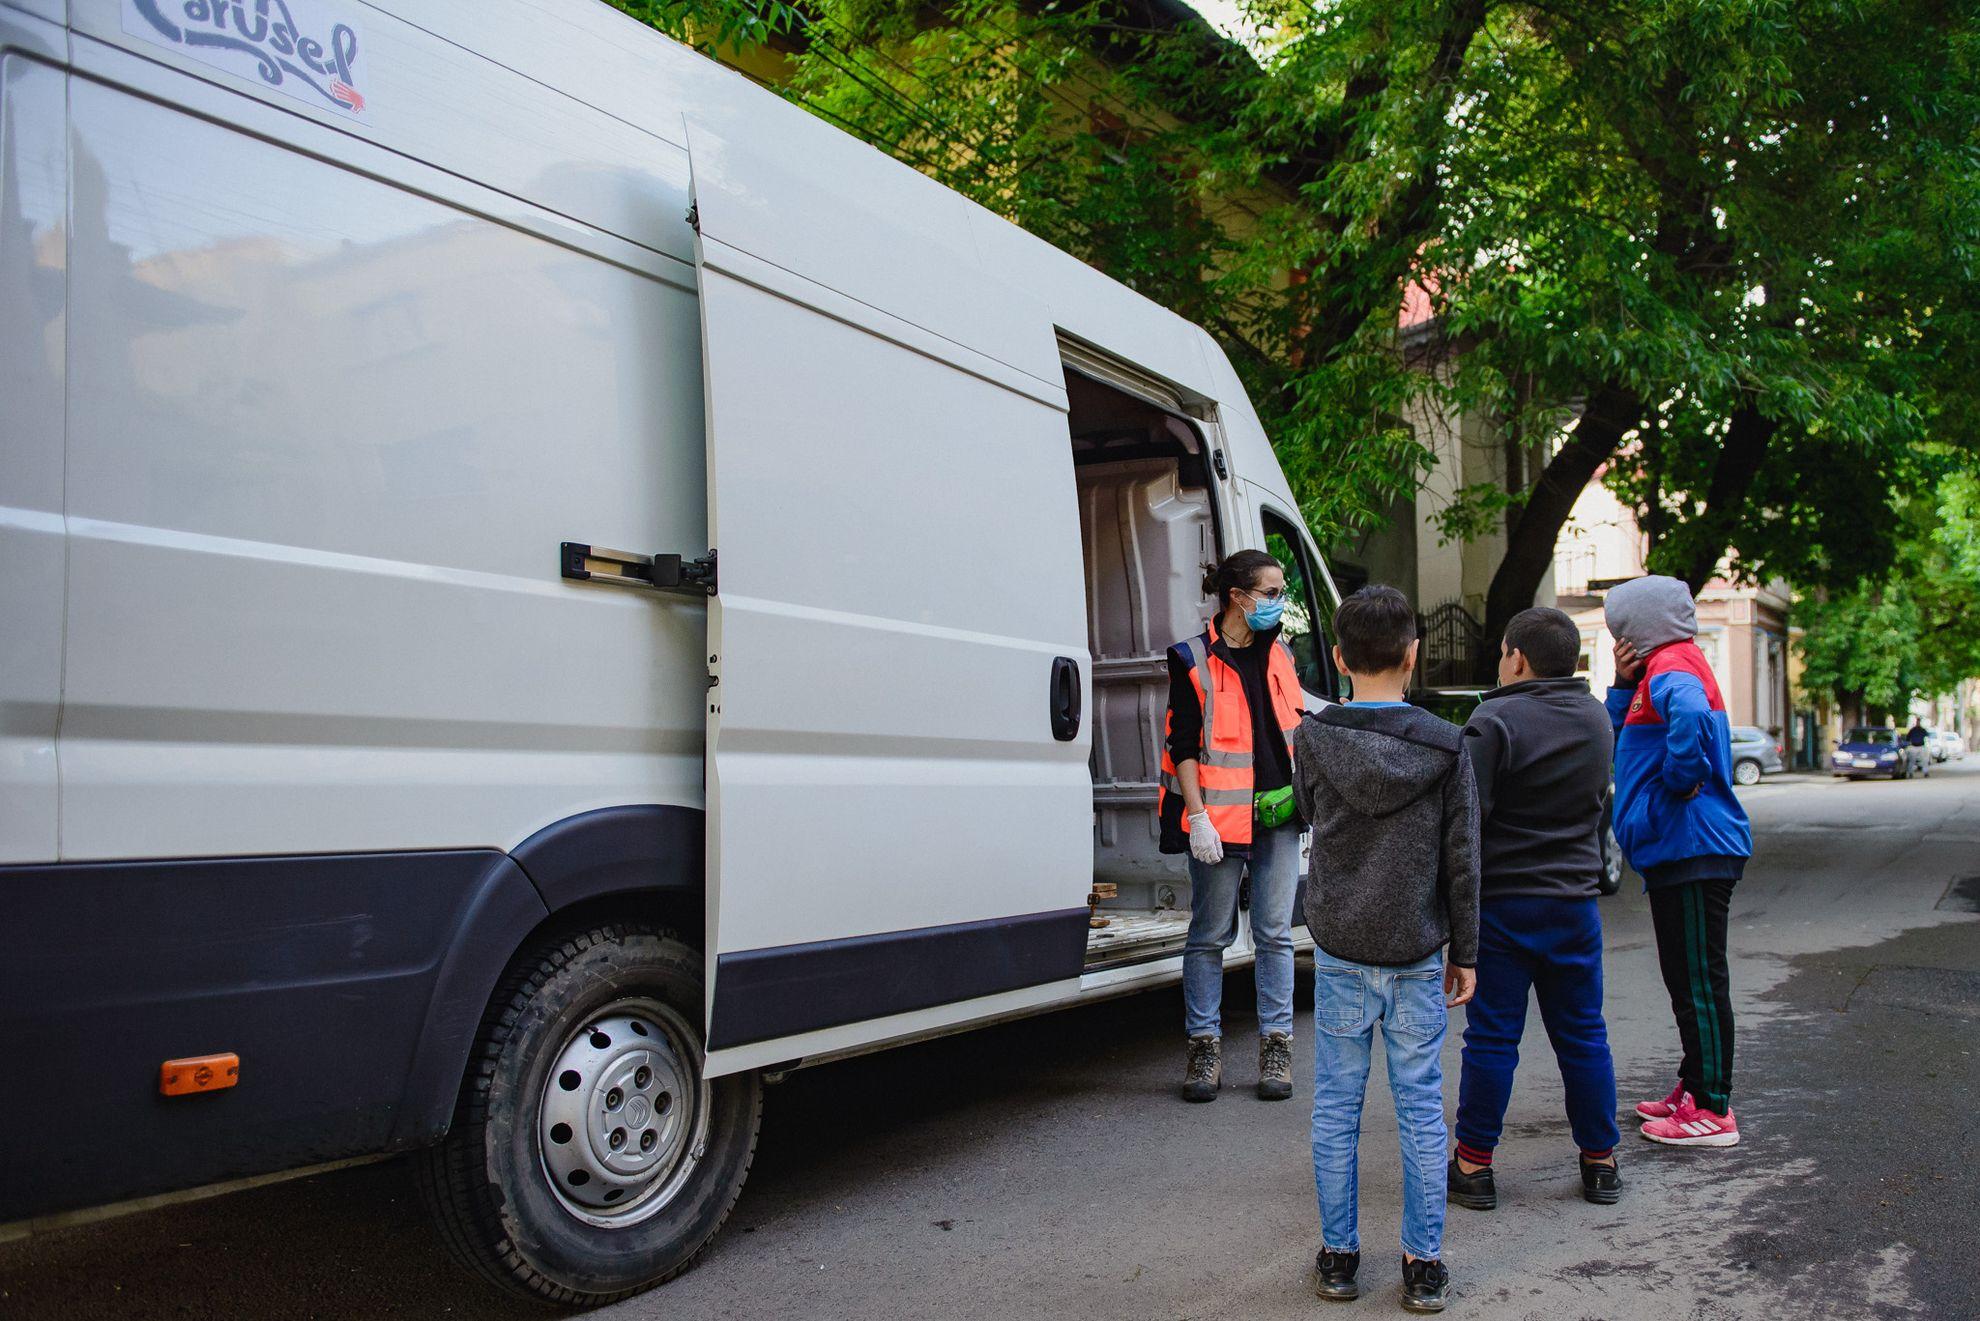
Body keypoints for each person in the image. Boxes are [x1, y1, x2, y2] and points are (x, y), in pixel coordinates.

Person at [1291, 585, 1478, 1314]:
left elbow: (1310, 813)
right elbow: (1463, 854)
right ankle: (1423, 1264)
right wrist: (1466, 947)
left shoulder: (1313, 737)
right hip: (1415, 948)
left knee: (1336, 1107)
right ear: (1413, 654)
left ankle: (1340, 1257)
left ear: (1338, 657)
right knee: (1421, 1110)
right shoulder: (1446, 744)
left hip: (1340, 943)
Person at [1447, 607, 1622, 1215]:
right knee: (1583, 1034)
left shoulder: (1495, 718)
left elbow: (1467, 823)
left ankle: (1474, 1165)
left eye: (1501, 653)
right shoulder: (1596, 718)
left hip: (1504, 905)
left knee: (1493, 1038)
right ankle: (1601, 1161)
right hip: (1575, 904)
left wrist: (1452, 917)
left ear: (1516, 657)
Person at [1604, 575, 1753, 1148]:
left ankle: (1712, 1108)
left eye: (1622, 628)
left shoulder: (1673, 668)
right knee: (1685, 976)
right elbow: (1627, 735)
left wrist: (1679, 777)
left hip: (1693, 846)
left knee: (1699, 981)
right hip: (1678, 848)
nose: (1619, 637)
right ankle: (1695, 1086)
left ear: (1641, 628)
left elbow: (1687, 719)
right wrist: (1623, 681)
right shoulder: (1661, 667)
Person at [1158, 549, 1306, 1103]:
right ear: (1238, 598)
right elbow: (1183, 745)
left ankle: (1276, 1047)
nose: (1279, 601)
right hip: (1218, 819)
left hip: (1281, 814)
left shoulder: (1281, 652)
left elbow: (1295, 729)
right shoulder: (1191, 657)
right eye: (1271, 592)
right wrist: (1196, 817)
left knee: (1274, 933)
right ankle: (1203, 1048)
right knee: (1210, 934)